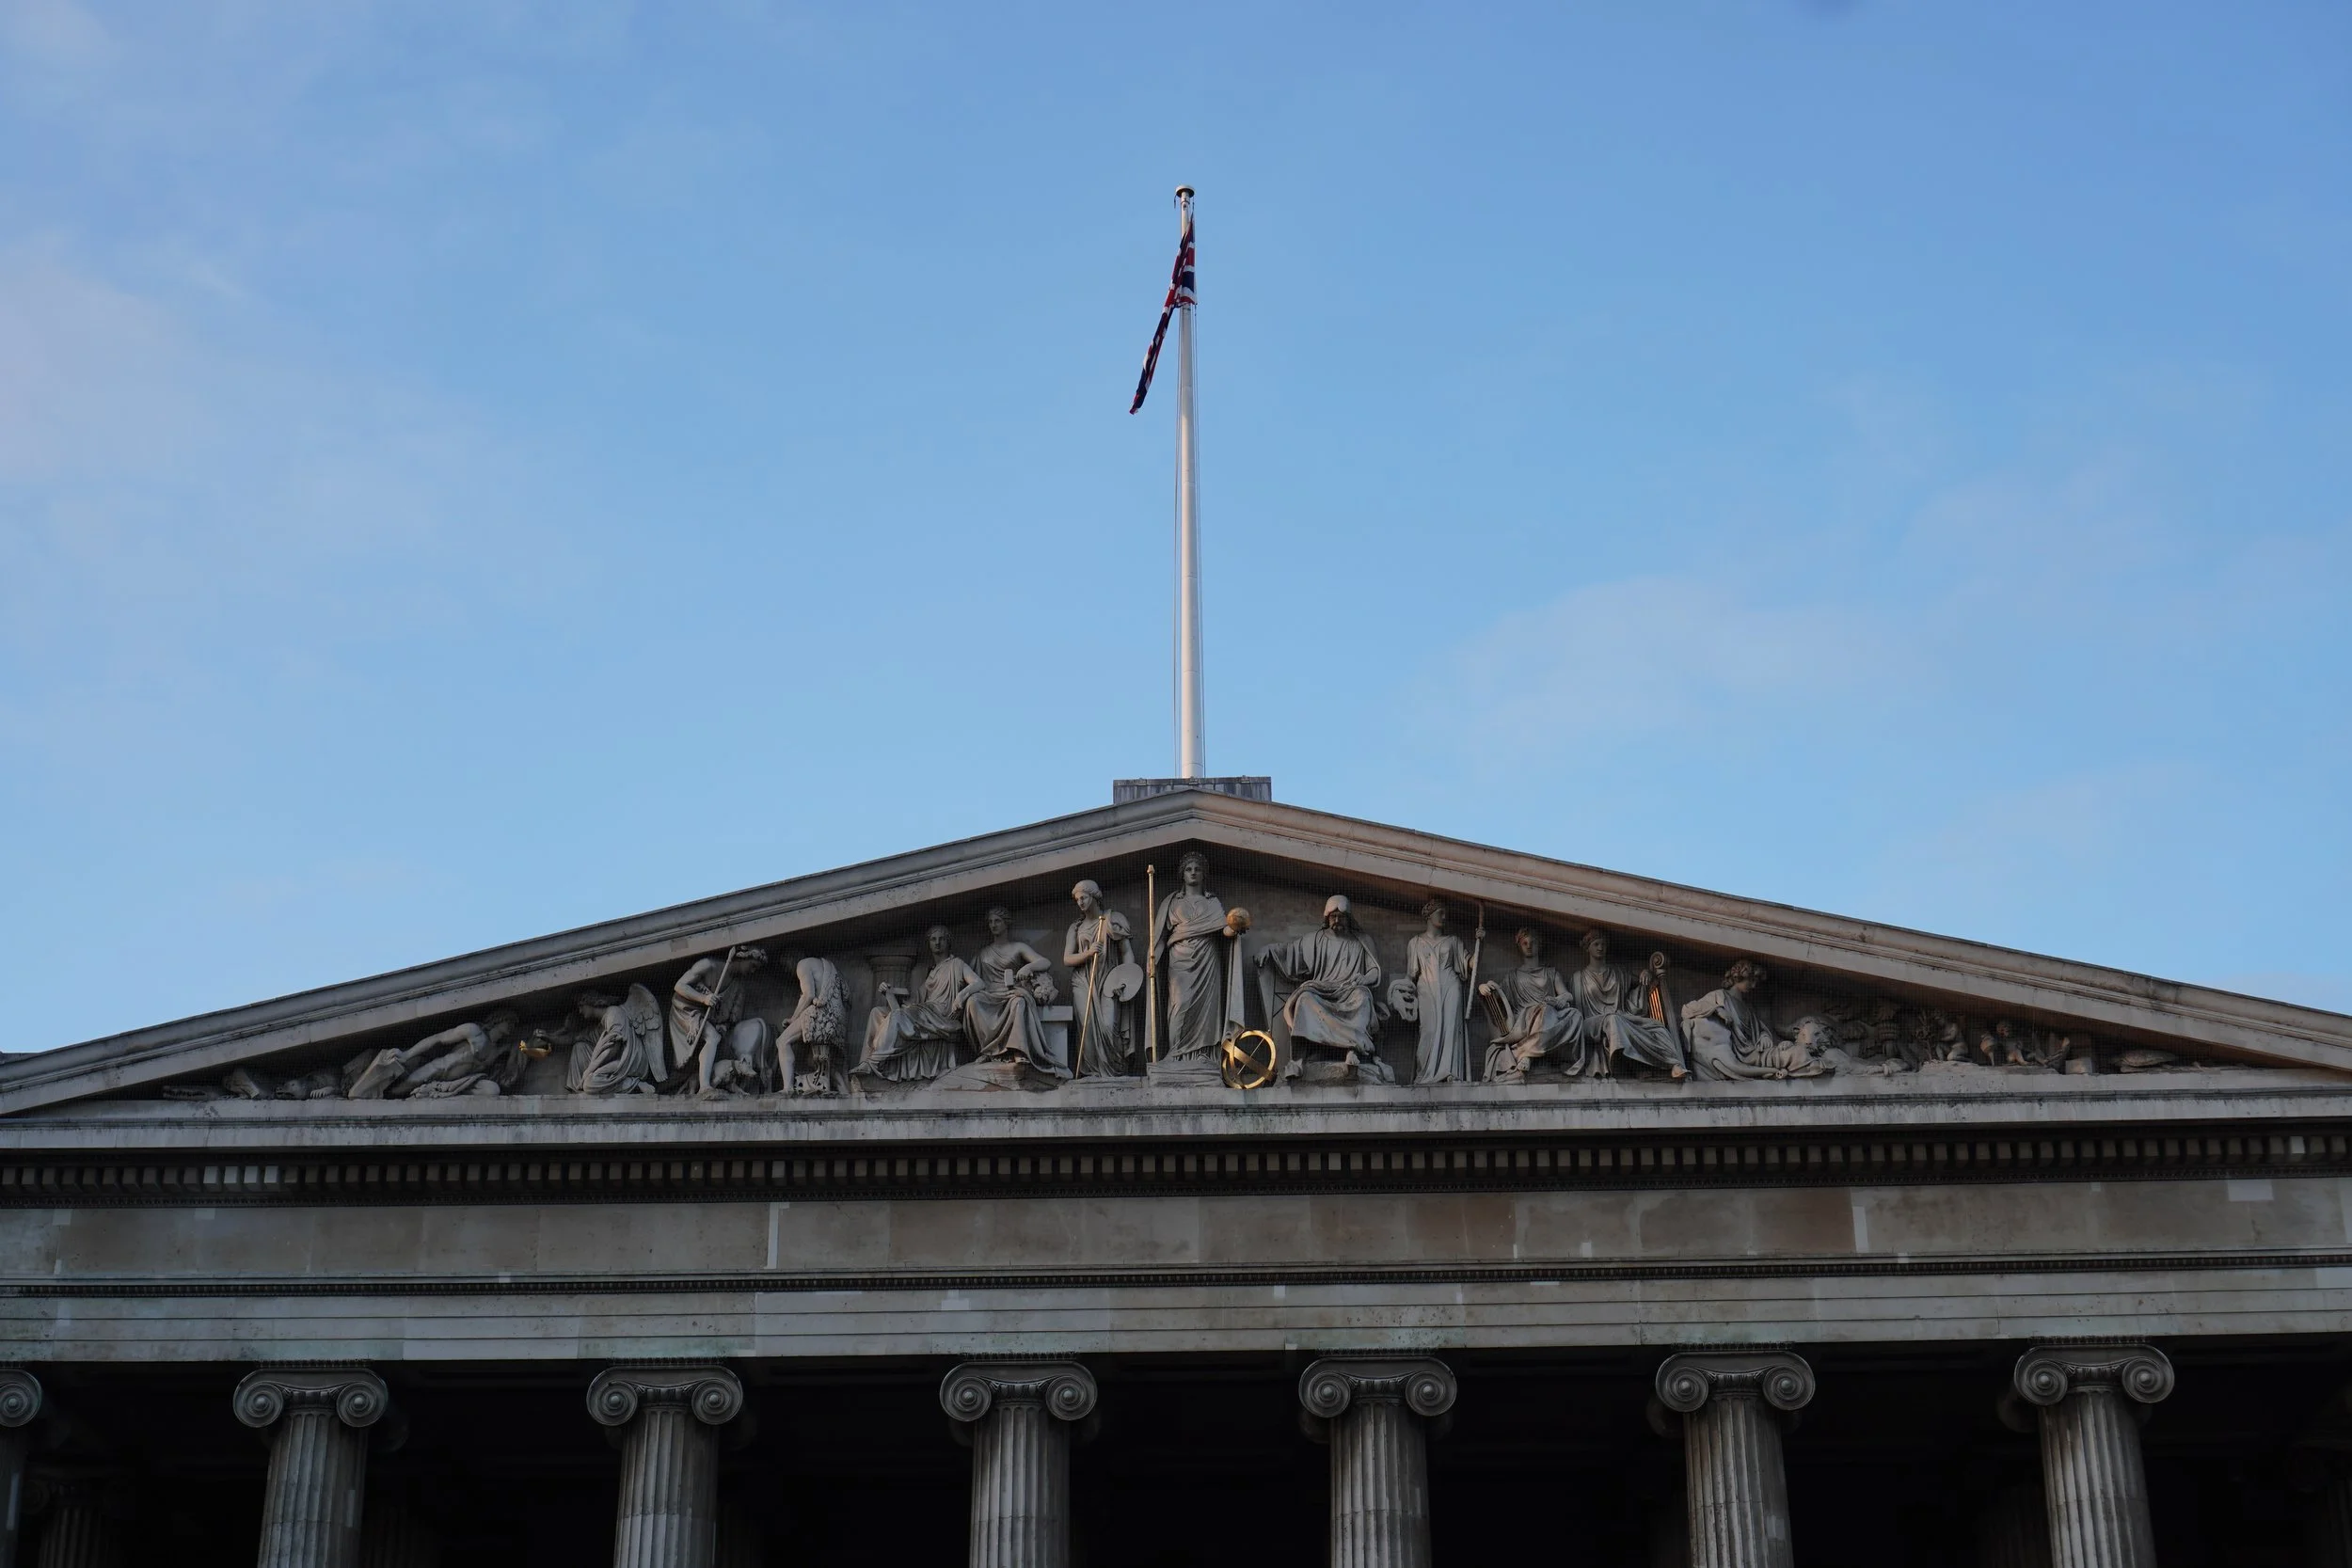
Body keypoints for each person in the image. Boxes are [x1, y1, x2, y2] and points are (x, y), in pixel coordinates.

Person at [1260, 895, 1393, 1084]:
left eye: (1341, 916)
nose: (1337, 920)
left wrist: (1363, 978)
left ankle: (1352, 1051)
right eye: (1333, 917)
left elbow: (1374, 971)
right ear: (1327, 918)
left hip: (1350, 989)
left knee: (1363, 997)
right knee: (1305, 1000)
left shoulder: (1362, 941)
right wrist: (1270, 950)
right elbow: (1291, 952)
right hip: (1321, 989)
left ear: (1349, 918)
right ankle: (1299, 1060)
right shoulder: (1316, 939)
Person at [856, 926, 976, 1084]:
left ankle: (876, 1061)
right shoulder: (932, 972)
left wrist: (962, 994)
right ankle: (865, 1062)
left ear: (948, 942)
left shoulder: (957, 964)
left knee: (898, 1015)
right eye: (933, 939)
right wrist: (888, 990)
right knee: (877, 1012)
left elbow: (978, 983)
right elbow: (913, 1002)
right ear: (929, 944)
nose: (937, 943)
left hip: (940, 1015)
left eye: (942, 939)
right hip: (925, 1011)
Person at [1566, 929, 1687, 1080]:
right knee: (1613, 1020)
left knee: (1658, 1027)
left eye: (1603, 944)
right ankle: (1632, 1065)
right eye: (1596, 944)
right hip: (1591, 1023)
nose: (1600, 948)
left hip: (1621, 1017)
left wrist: (1646, 973)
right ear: (1587, 948)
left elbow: (1643, 984)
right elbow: (1576, 1014)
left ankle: (1674, 1064)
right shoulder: (1578, 978)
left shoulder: (1618, 972)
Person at [963, 907, 1068, 1078]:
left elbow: (1045, 961)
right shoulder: (983, 953)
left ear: (1006, 923)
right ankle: (988, 1051)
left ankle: (1018, 1050)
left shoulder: (1018, 947)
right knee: (973, 1002)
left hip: (1011, 991)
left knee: (1019, 1002)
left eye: (997, 921)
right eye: (990, 922)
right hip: (989, 994)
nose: (993, 925)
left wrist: (1029, 966)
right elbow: (975, 979)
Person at [1150, 851, 1230, 1064]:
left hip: (1207, 958)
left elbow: (1224, 930)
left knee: (1206, 1008)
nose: (1193, 873)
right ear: (1182, 875)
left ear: (1204, 875)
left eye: (1198, 869)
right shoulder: (1171, 902)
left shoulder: (1212, 903)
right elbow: (1158, 936)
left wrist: (1236, 927)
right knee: (1179, 1004)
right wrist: (1153, 959)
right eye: (1188, 869)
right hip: (1179, 959)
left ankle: (1203, 1054)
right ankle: (1175, 1053)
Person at [1682, 958, 1818, 1080]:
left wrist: (1764, 1036)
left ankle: (1817, 1066)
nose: (1753, 986)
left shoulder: (1748, 1008)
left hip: (1754, 1053)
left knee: (1796, 1053)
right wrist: (1717, 1010)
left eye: (1756, 982)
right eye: (1751, 980)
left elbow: (1760, 1030)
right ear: (1738, 977)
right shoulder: (1719, 996)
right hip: (1734, 1055)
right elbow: (1687, 1010)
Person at [1479, 928, 1582, 1082]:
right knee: (1543, 1010)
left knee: (1576, 1015)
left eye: (1533, 942)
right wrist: (1483, 988)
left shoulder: (1551, 973)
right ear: (1519, 946)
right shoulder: (1513, 977)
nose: (1529, 946)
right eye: (1524, 943)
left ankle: (1524, 1053)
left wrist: (1560, 999)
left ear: (1539, 945)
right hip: (1524, 1019)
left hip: (1551, 1014)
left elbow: (1567, 995)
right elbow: (1499, 999)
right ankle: (1529, 1054)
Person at [348, 1012, 526, 1100]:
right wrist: (407, 1054)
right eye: (509, 1021)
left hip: (458, 1085)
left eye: (515, 1024)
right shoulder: (473, 1031)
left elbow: (524, 1052)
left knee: (492, 1090)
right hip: (438, 1071)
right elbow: (438, 1038)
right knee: (394, 1093)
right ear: (498, 1019)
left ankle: (436, 1097)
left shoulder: (499, 1050)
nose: (512, 1026)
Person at [670, 947, 771, 1092]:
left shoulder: (739, 988)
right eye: (752, 965)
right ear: (742, 957)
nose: (753, 971)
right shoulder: (708, 965)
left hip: (709, 1018)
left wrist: (724, 1026)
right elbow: (679, 986)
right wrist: (704, 998)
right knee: (713, 1038)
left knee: (716, 1037)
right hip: (686, 1010)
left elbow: (732, 1019)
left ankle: (704, 1079)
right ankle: (705, 1087)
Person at [1063, 881, 1135, 1077]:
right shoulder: (1075, 928)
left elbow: (1127, 952)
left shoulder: (1113, 920)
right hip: (1083, 982)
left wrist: (1126, 980)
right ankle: (1092, 1073)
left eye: (1083, 898)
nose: (1080, 903)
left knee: (1108, 1026)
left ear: (1095, 897)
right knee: (1087, 1030)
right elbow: (1067, 959)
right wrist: (1088, 953)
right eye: (1077, 900)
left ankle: (1113, 1072)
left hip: (1109, 980)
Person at [1401, 899, 1471, 1085]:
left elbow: (1469, 965)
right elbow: (1410, 975)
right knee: (1429, 1030)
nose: (1445, 917)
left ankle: (1450, 1072)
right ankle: (1426, 1073)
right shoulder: (1415, 942)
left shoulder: (1454, 941)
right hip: (1426, 988)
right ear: (1429, 916)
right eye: (1441, 913)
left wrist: (1481, 941)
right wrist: (1399, 991)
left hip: (1451, 986)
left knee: (1451, 1029)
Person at [565, 986, 669, 1095]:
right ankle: (579, 1092)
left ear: (591, 1002)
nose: (580, 1011)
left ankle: (635, 1083)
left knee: (590, 1083)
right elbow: (575, 1038)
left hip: (628, 1063)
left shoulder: (614, 1013)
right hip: (616, 1062)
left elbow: (613, 1048)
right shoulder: (603, 1024)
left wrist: (589, 1070)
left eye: (581, 1006)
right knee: (580, 1046)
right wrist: (550, 1037)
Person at [774, 957, 849, 1096]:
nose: (787, 971)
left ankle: (788, 1088)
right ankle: (845, 1091)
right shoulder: (830, 966)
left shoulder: (802, 964)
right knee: (817, 1061)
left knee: (782, 1041)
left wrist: (793, 1018)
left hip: (819, 1014)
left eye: (785, 967)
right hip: (837, 1020)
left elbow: (808, 995)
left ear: (789, 960)